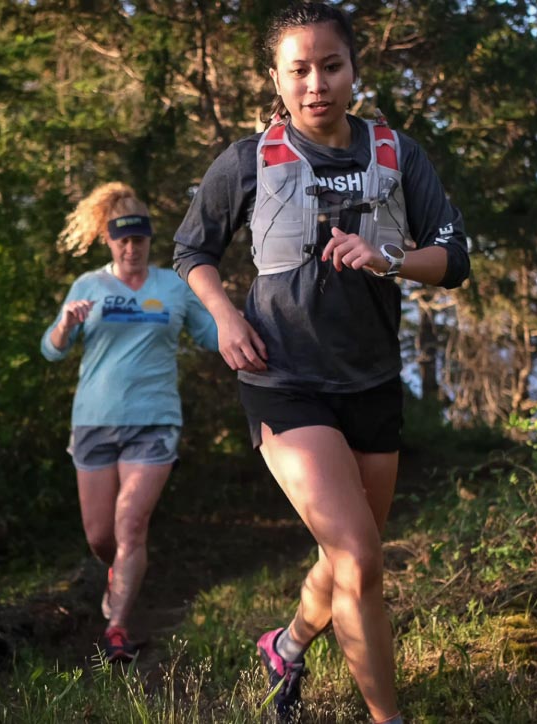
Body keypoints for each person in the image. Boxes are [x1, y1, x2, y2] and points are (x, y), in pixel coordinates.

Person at [172, 3, 470, 722]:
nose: (317, 84)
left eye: (330, 66)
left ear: (354, 69)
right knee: (362, 560)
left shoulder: (397, 154)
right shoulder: (249, 159)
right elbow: (193, 252)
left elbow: (453, 258)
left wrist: (387, 255)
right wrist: (224, 314)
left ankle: (286, 643)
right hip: (282, 378)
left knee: (346, 556)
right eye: (298, 70)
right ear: (276, 79)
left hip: (369, 381)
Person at [41, 182, 218, 663]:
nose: (132, 247)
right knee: (101, 537)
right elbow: (51, 350)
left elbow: (215, 334)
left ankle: (117, 629)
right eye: (123, 240)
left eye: (139, 239)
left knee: (130, 524)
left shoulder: (172, 287)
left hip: (154, 422)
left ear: (149, 240)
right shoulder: (88, 287)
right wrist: (66, 325)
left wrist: (256, 330)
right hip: (94, 423)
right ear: (109, 241)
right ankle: (119, 572)